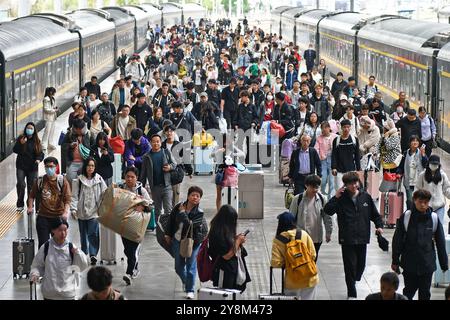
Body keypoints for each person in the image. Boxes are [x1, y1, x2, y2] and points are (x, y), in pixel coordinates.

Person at [324, 171, 384, 299]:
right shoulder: (341, 199)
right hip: (347, 239)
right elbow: (328, 210)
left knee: (360, 267)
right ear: (345, 185)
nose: (354, 185)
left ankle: (354, 280)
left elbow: (375, 215)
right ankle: (352, 294)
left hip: (362, 238)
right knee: (350, 267)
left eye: (355, 182)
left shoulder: (365, 197)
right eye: (350, 184)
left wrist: (379, 226)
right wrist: (335, 197)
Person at [392, 189, 448, 300]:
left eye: (426, 202)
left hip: (427, 264)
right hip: (409, 264)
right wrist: (395, 260)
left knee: (425, 294)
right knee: (408, 293)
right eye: (420, 202)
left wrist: (444, 264)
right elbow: (397, 240)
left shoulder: (434, 218)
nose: (423, 205)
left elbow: (440, 243)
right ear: (414, 201)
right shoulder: (406, 217)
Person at [30, 218, 89, 300]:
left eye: (65, 230)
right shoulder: (46, 247)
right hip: (50, 294)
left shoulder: (71, 248)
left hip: (67, 294)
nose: (63, 233)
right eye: (60, 230)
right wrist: (35, 274)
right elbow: (37, 265)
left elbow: (82, 266)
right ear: (53, 231)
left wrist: (78, 254)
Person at [165, 186, 208, 299]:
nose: (195, 197)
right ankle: (186, 281)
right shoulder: (178, 207)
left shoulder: (199, 212)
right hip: (177, 240)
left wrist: (183, 213)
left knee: (190, 266)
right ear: (188, 196)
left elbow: (190, 224)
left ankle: (190, 289)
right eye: (193, 195)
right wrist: (168, 234)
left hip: (193, 243)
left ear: (200, 199)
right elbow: (170, 221)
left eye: (198, 196)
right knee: (178, 267)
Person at [270, 211, 318, 299]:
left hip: (292, 280)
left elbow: (275, 263)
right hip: (310, 277)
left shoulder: (278, 240)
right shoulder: (304, 234)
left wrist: (290, 263)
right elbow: (313, 255)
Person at [70, 157, 107, 265]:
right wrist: (73, 209)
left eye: (92, 166)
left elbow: (105, 192)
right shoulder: (79, 180)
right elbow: (74, 196)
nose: (90, 168)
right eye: (89, 165)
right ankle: (84, 253)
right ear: (85, 166)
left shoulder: (99, 179)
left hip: (94, 211)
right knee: (83, 234)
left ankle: (93, 254)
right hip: (82, 212)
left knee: (93, 233)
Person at [119, 166, 151, 285]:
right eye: (128, 176)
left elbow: (150, 204)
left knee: (133, 250)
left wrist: (142, 206)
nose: (130, 179)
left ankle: (129, 272)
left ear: (136, 178)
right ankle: (135, 268)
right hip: (124, 225)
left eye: (132, 177)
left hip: (138, 226)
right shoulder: (121, 188)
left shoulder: (141, 190)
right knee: (128, 250)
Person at [208, 205, 251, 291]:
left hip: (231, 269)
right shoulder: (217, 233)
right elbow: (226, 256)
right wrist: (238, 241)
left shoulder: (224, 229)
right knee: (225, 293)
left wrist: (235, 239)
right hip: (224, 270)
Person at [289, 175, 332, 260]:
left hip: (316, 238)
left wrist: (328, 232)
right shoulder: (298, 199)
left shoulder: (322, 199)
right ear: (306, 186)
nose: (315, 190)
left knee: (312, 261)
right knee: (302, 261)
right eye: (312, 187)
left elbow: (327, 217)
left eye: (317, 187)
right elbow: (291, 217)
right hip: (301, 237)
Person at [140, 134, 176, 221]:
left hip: (167, 186)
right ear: (150, 143)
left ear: (160, 142)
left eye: (158, 141)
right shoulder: (146, 156)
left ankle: (168, 231)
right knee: (157, 211)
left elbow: (174, 164)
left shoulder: (166, 152)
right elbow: (143, 173)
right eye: (154, 142)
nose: (156, 143)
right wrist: (141, 187)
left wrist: (169, 167)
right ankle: (158, 231)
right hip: (155, 187)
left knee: (168, 210)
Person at [13, 122, 44, 212]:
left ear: (34, 130)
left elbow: (41, 153)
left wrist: (38, 160)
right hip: (21, 166)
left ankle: (30, 204)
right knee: (21, 184)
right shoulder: (21, 138)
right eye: (28, 128)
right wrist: (21, 144)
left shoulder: (37, 141)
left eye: (31, 128)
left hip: (32, 167)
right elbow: (15, 150)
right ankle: (20, 204)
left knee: (32, 187)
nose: (29, 130)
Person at [162, 125, 193, 206]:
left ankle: (174, 214)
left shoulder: (179, 145)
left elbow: (186, 158)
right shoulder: (162, 145)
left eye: (171, 131)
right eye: (167, 131)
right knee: (166, 196)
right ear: (165, 133)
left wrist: (189, 171)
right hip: (163, 173)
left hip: (176, 173)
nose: (169, 133)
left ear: (174, 132)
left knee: (175, 194)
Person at [415, 155, 450, 224]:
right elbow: (418, 189)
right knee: (426, 227)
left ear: (439, 165)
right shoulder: (422, 175)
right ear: (428, 164)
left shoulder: (442, 175)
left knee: (438, 227)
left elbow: (446, 189)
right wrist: (416, 201)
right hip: (425, 206)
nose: (434, 165)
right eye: (432, 164)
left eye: (436, 164)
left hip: (439, 206)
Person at [398, 135, 428, 210]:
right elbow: (401, 166)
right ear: (410, 143)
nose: (415, 142)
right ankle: (409, 215)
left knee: (419, 201)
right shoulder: (405, 153)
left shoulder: (421, 153)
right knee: (410, 201)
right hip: (408, 181)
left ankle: (418, 217)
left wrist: (423, 154)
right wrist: (399, 173)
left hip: (419, 182)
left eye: (417, 141)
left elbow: (426, 165)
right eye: (413, 141)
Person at [331, 119, 361, 190]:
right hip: (339, 170)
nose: (346, 129)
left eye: (348, 127)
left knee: (351, 190)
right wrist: (333, 167)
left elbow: (357, 154)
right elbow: (334, 155)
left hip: (351, 170)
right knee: (340, 190)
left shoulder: (354, 139)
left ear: (350, 127)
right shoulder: (336, 140)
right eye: (344, 127)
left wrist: (358, 168)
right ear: (341, 128)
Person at [315, 121, 337, 199]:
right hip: (323, 160)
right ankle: (323, 193)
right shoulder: (319, 138)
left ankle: (330, 197)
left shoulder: (335, 137)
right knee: (323, 179)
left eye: (325, 128)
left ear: (329, 128)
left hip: (332, 160)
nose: (323, 130)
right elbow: (316, 149)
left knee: (332, 181)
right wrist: (319, 156)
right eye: (322, 129)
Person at [42, 87, 58, 153]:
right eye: (53, 92)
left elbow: (51, 107)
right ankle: (43, 145)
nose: (54, 93)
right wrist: (54, 110)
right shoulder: (46, 99)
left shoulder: (52, 99)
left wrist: (54, 108)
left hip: (53, 117)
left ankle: (50, 143)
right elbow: (46, 109)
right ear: (51, 92)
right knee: (47, 131)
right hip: (48, 118)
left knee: (52, 131)